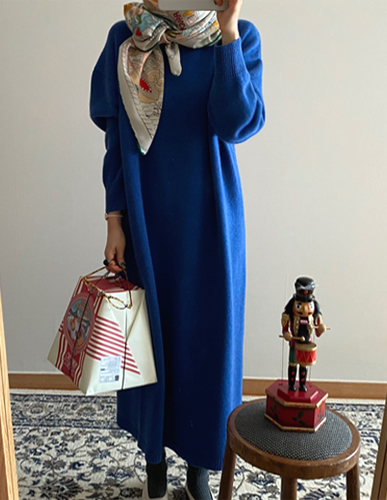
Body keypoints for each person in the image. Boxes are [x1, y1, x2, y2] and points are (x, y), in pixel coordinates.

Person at [90, 0, 264, 498]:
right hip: (145, 218)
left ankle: (200, 467)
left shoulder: (239, 36)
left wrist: (227, 32)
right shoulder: (124, 39)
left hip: (212, 221)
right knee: (148, 343)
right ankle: (154, 464)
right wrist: (114, 220)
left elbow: (237, 123)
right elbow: (116, 139)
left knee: (209, 339)